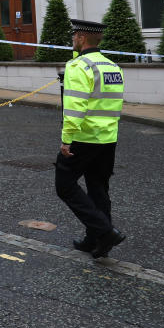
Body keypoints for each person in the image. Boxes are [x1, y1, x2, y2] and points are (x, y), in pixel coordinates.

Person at [57, 19, 126, 259]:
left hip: (84, 138)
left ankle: (105, 232)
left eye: (74, 36)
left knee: (64, 185)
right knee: (98, 189)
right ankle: (95, 241)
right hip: (108, 138)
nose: (72, 39)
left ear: (82, 38)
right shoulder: (112, 67)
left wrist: (66, 139)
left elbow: (74, 108)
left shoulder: (78, 67)